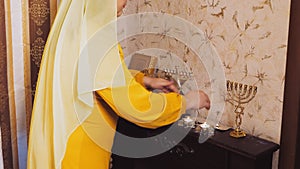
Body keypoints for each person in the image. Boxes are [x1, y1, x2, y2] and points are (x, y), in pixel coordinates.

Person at [27, 0, 210, 169]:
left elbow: (94, 77)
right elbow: (137, 107)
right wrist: (188, 101)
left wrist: (143, 79)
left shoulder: (75, 30)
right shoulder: (97, 40)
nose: (127, 1)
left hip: (65, 144)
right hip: (81, 154)